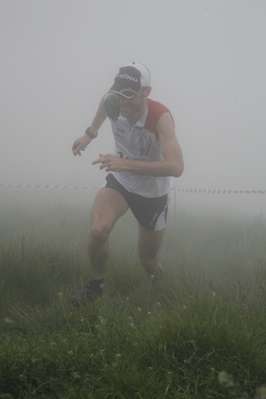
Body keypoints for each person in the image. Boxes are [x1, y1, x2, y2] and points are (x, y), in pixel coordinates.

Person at [71, 62, 184, 306]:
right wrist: (89, 134)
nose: (123, 102)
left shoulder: (160, 117)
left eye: (130, 95)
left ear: (147, 92)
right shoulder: (113, 101)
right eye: (120, 92)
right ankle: (96, 289)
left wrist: (126, 164)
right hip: (120, 181)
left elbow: (176, 167)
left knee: (147, 259)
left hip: (153, 193)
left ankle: (160, 290)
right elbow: (105, 101)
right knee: (97, 231)